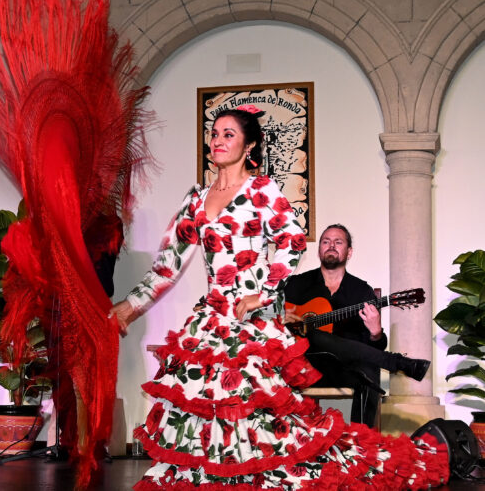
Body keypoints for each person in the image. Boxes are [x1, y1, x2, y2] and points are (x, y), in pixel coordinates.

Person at [110, 107, 448, 489]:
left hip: (251, 324)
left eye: (228, 134)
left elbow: (291, 241)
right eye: (215, 134)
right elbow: (168, 264)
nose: (218, 141)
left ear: (249, 144)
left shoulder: (261, 191)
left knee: (261, 419)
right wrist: (130, 305)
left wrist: (262, 294)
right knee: (206, 407)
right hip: (212, 322)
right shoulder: (195, 200)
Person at [284, 224, 430, 428]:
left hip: (345, 369)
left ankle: (359, 443)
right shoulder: (297, 284)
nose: (331, 246)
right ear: (319, 250)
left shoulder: (361, 291)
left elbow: (374, 347)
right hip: (306, 365)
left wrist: (376, 331)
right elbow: (272, 315)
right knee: (315, 336)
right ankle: (397, 363)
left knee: (366, 373)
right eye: (326, 241)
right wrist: (286, 319)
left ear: (349, 252)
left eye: (338, 242)